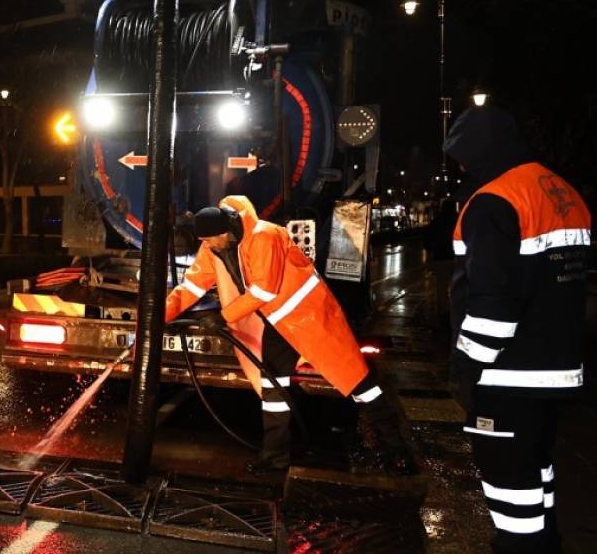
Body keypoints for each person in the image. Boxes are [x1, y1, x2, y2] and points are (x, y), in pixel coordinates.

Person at [164, 195, 413, 475]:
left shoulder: (265, 236)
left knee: (358, 383)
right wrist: (161, 316)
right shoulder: (216, 246)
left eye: (209, 241)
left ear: (225, 232)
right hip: (278, 322)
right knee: (273, 384)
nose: (206, 247)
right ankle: (274, 456)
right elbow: (193, 286)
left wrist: (222, 317)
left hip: (313, 319)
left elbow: (263, 291)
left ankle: (397, 450)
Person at [444, 106, 590, 553]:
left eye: (463, 158)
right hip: (556, 372)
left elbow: (493, 304)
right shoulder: (560, 190)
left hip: (507, 378)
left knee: (510, 489)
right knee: (537, 475)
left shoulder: (493, 202)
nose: (463, 169)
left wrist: (466, 369)